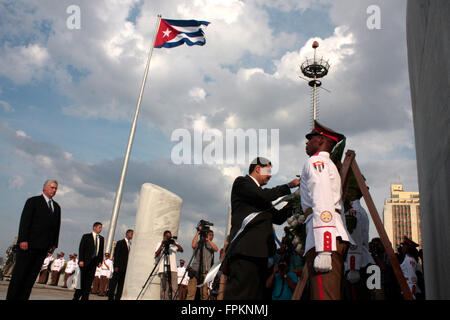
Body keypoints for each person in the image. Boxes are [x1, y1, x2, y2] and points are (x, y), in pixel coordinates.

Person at [224, 156, 300, 300]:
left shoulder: (261, 196)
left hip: (260, 254)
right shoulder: (242, 183)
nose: (270, 175)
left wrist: (296, 199)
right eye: (268, 171)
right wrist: (288, 186)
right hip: (244, 251)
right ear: (258, 168)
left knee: (253, 296)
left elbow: (277, 218)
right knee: (239, 295)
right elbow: (264, 195)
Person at [300, 121, 353, 300]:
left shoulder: (316, 161)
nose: (306, 143)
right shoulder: (328, 164)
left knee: (324, 296)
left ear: (321, 140)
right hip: (330, 233)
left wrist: (325, 247)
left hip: (324, 237)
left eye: (310, 139)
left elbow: (322, 200)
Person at [6, 179, 61, 300]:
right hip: (28, 245)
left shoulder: (56, 207)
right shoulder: (33, 201)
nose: (54, 190)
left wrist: (53, 244)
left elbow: (56, 227)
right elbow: (25, 221)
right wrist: (23, 240)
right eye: (52, 187)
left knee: (31, 277)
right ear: (44, 188)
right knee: (20, 275)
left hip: (43, 248)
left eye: (56, 188)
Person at [343, 182, 374, 300]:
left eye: (349, 189)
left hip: (357, 264)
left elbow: (354, 239)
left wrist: (353, 266)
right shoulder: (360, 210)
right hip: (361, 260)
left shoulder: (353, 211)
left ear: (353, 193)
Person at [73, 222, 105, 300]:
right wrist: (81, 260)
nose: (101, 229)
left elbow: (100, 251)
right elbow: (81, 249)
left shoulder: (101, 238)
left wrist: (100, 261)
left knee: (89, 282)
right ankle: (76, 297)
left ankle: (85, 297)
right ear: (94, 227)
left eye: (101, 228)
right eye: (99, 227)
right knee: (82, 281)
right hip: (85, 262)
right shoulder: (86, 236)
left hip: (94, 263)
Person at [186, 228, 218, 300]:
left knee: (204, 294)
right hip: (195, 270)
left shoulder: (210, 245)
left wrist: (208, 240)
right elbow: (193, 245)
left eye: (212, 235)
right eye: (209, 235)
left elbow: (216, 249)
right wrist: (198, 233)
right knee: (191, 293)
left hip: (205, 271)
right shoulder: (199, 243)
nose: (211, 236)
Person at [154, 230, 184, 300]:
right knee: (164, 288)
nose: (169, 238)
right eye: (167, 237)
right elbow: (156, 254)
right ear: (164, 237)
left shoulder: (174, 244)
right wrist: (162, 244)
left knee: (174, 288)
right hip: (163, 268)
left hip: (173, 268)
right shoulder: (160, 243)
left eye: (170, 237)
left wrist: (175, 243)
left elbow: (182, 250)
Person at [108, 229, 134, 300]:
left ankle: (118, 298)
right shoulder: (120, 242)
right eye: (131, 234)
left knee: (121, 285)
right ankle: (110, 298)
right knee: (113, 284)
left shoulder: (130, 244)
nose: (132, 235)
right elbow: (116, 255)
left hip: (125, 268)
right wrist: (116, 266)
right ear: (127, 234)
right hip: (118, 267)